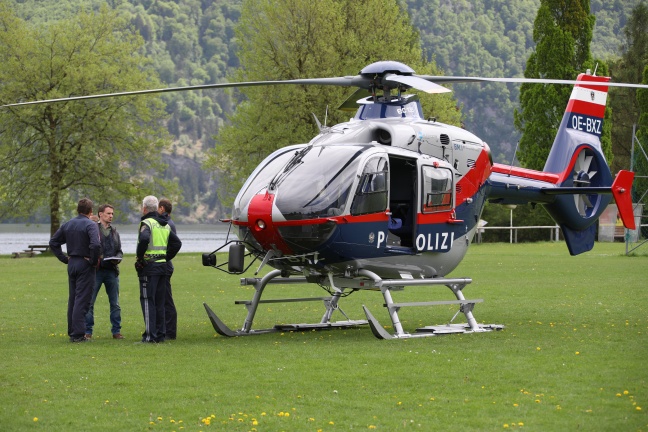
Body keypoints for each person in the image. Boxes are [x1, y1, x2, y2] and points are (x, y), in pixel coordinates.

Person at [49, 198, 101, 343]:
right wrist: (93, 261)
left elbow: (53, 242)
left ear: (77, 210)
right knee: (82, 299)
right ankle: (78, 334)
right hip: (85, 264)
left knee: (73, 298)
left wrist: (65, 258)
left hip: (72, 263)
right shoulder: (91, 225)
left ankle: (72, 330)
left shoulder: (68, 224)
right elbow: (96, 244)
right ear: (90, 212)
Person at [136, 195, 182, 343]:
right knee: (160, 302)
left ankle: (150, 336)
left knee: (148, 300)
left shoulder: (147, 223)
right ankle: (161, 335)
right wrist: (166, 257)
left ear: (144, 208)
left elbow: (144, 239)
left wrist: (140, 257)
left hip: (150, 267)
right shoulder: (165, 224)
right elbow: (177, 244)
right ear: (157, 208)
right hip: (163, 266)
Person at [85, 204, 124, 340]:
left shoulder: (115, 232)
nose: (111, 216)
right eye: (108, 213)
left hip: (111, 271)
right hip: (96, 271)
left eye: (112, 214)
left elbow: (119, 249)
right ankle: (87, 331)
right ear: (100, 214)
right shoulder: (92, 229)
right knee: (89, 302)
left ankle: (116, 331)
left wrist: (118, 258)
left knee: (115, 303)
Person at [158, 198, 178, 340]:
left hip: (164, 266)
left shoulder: (167, 224)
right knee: (163, 298)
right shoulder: (169, 223)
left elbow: (174, 244)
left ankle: (170, 332)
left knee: (166, 300)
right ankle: (164, 329)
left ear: (162, 209)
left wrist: (165, 258)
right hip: (166, 265)